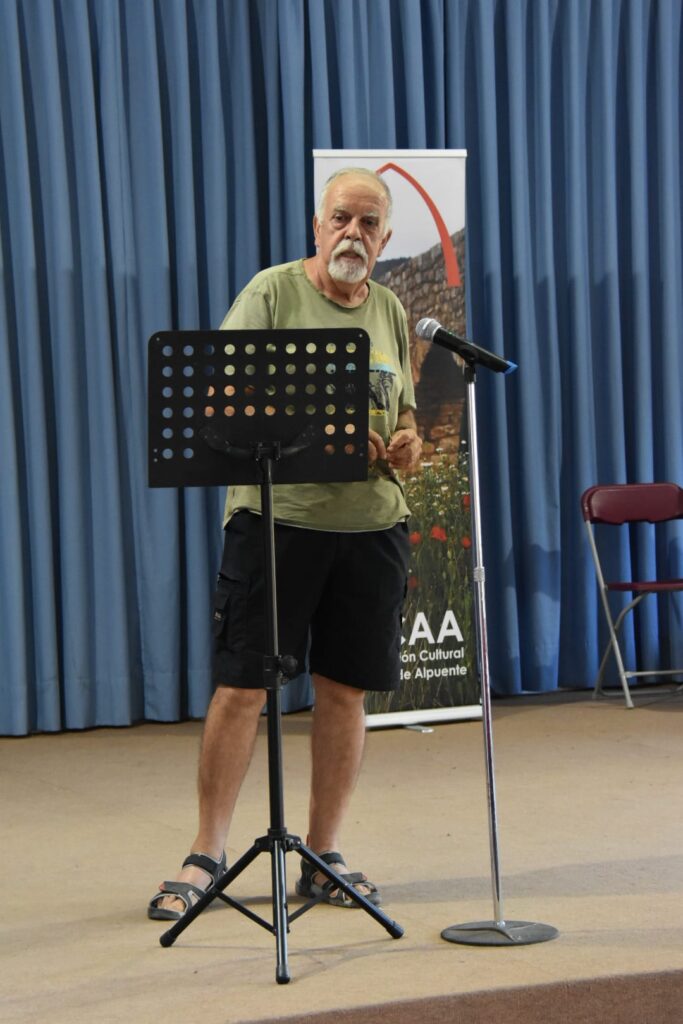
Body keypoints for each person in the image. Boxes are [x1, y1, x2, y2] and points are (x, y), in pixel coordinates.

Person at [148, 167, 422, 918]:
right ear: (317, 225)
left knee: (344, 691)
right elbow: (221, 396)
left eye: (369, 224)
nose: (353, 234)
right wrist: (328, 431)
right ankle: (205, 855)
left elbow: (404, 412)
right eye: (341, 218)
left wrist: (405, 440)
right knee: (244, 687)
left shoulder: (391, 307)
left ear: (385, 238)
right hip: (278, 521)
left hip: (371, 528)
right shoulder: (271, 293)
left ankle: (323, 856)